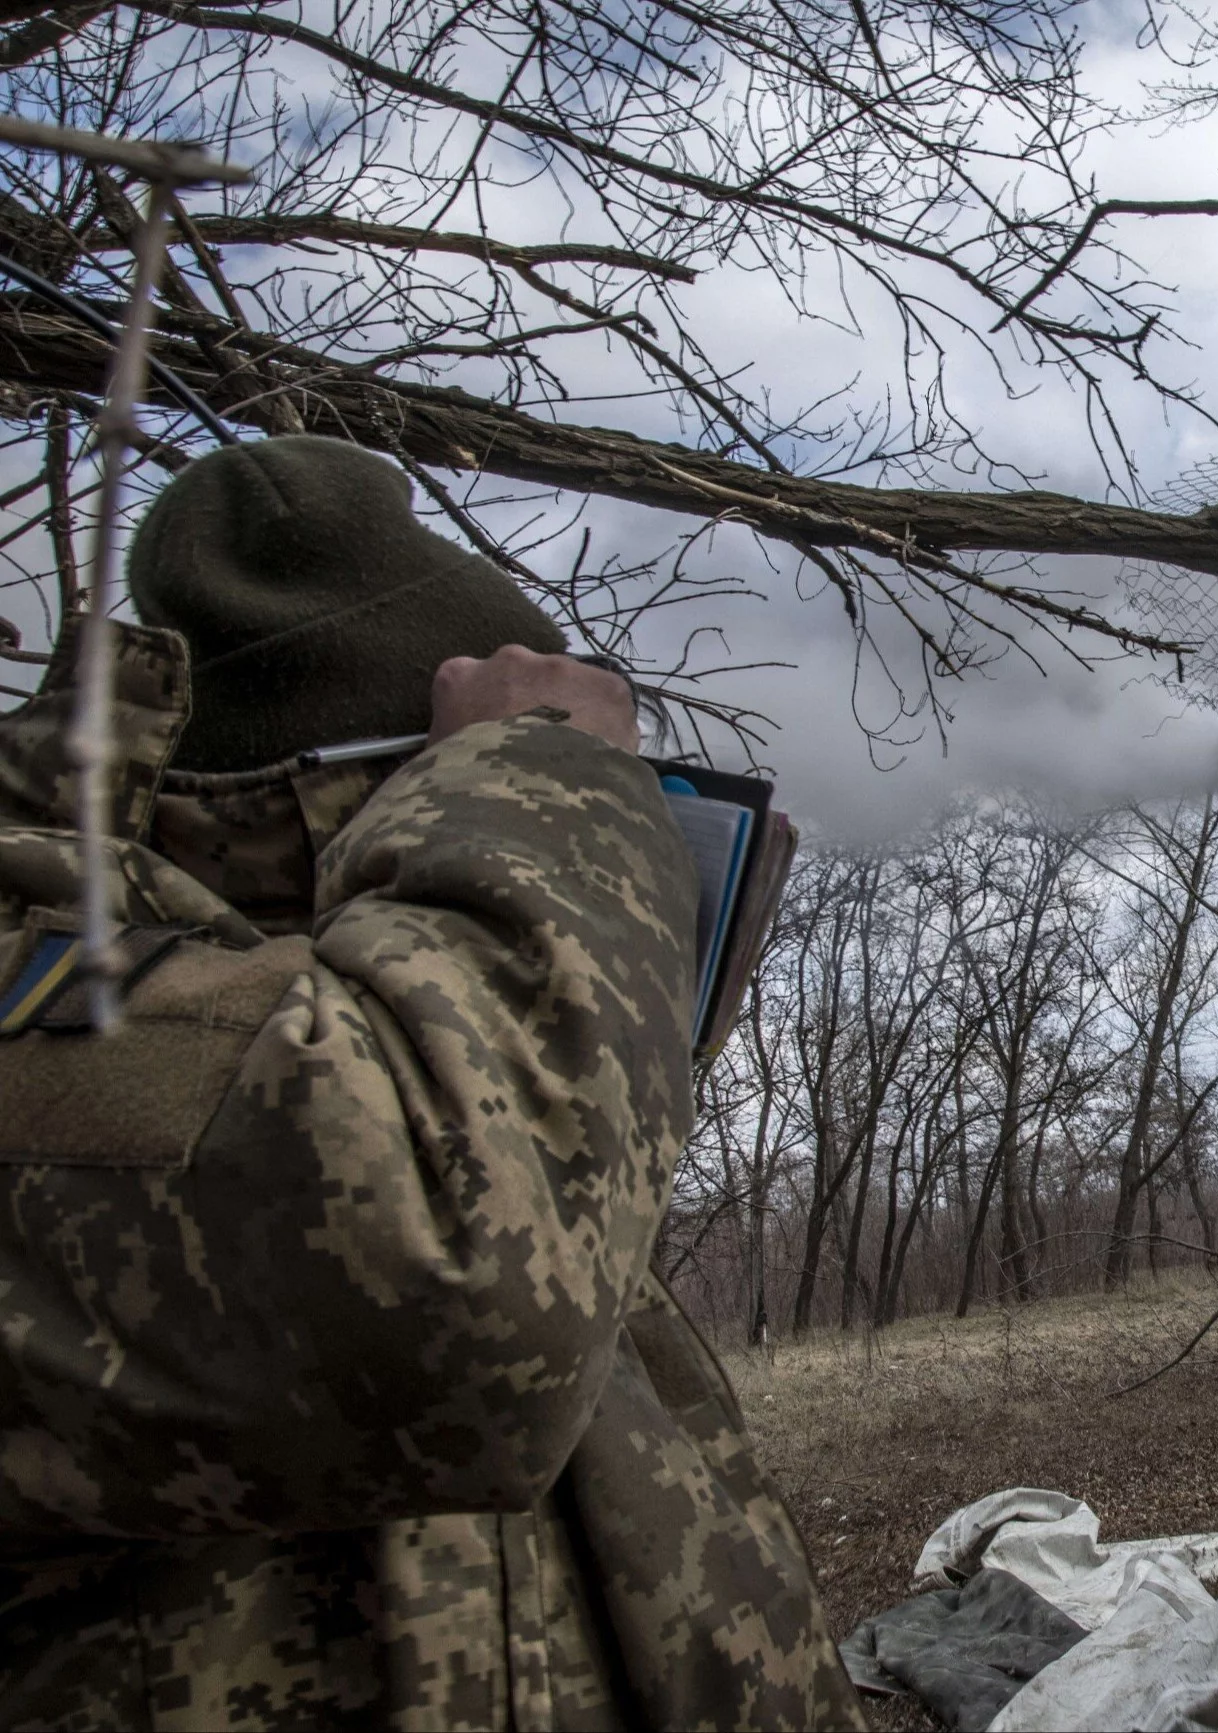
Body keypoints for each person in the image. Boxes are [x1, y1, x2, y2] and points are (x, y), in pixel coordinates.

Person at [0, 436, 862, 1729]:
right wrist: (554, 824)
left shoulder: (442, 1096)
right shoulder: (57, 1001)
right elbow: (448, 1283)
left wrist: (621, 968)